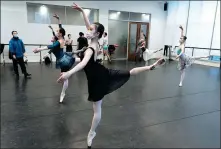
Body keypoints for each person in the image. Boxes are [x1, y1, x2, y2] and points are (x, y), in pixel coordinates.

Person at [57, 3, 165, 148]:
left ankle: (91, 133)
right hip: (101, 73)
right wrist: (82, 11)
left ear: (96, 34)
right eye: (89, 29)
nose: (88, 30)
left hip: (98, 78)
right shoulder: (94, 40)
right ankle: (150, 67)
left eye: (91, 30)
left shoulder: (90, 48)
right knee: (128, 75)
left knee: (97, 109)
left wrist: (68, 73)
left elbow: (83, 64)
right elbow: (89, 26)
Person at [33, 14, 84, 103]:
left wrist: (39, 49)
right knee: (77, 61)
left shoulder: (58, 41)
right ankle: (90, 58)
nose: (56, 32)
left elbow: (50, 47)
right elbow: (60, 27)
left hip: (63, 61)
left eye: (57, 31)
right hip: (64, 57)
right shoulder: (61, 38)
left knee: (65, 77)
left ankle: (63, 93)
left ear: (60, 34)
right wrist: (59, 19)